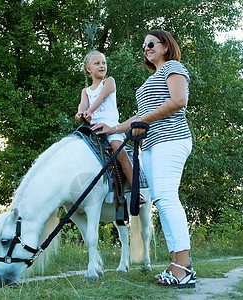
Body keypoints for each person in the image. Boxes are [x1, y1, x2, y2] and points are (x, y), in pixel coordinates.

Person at [91, 30, 195, 288]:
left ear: (166, 46)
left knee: (167, 198)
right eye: (143, 46)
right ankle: (176, 263)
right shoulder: (153, 77)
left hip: (171, 140)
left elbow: (179, 100)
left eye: (151, 43)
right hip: (150, 145)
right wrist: (114, 128)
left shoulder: (173, 67)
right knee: (161, 200)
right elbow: (141, 114)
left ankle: (184, 265)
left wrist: (143, 121)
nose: (146, 48)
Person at [75, 50, 144, 205]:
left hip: (110, 126)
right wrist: (80, 114)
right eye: (97, 63)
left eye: (104, 63)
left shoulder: (109, 82)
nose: (102, 66)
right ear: (88, 69)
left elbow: (101, 97)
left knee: (120, 153)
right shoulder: (85, 91)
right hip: (93, 128)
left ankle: (135, 190)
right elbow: (83, 105)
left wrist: (90, 111)